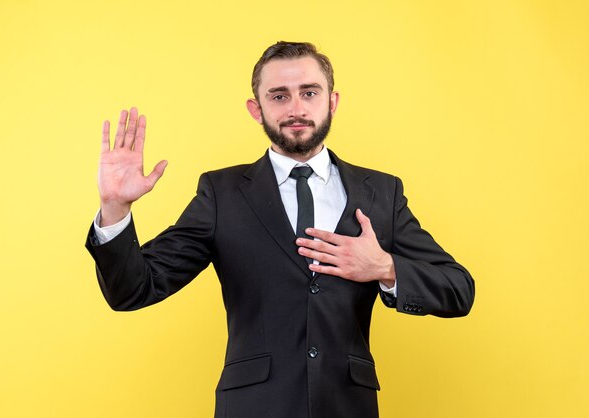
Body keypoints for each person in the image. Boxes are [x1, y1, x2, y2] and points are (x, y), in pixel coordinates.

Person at [86, 41, 475, 418]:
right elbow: (133, 290)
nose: (296, 109)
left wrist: (385, 268)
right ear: (256, 109)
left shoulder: (381, 193)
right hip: (255, 406)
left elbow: (458, 289)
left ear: (332, 102)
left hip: (347, 406)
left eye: (309, 92)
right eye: (279, 96)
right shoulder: (222, 194)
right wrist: (115, 207)